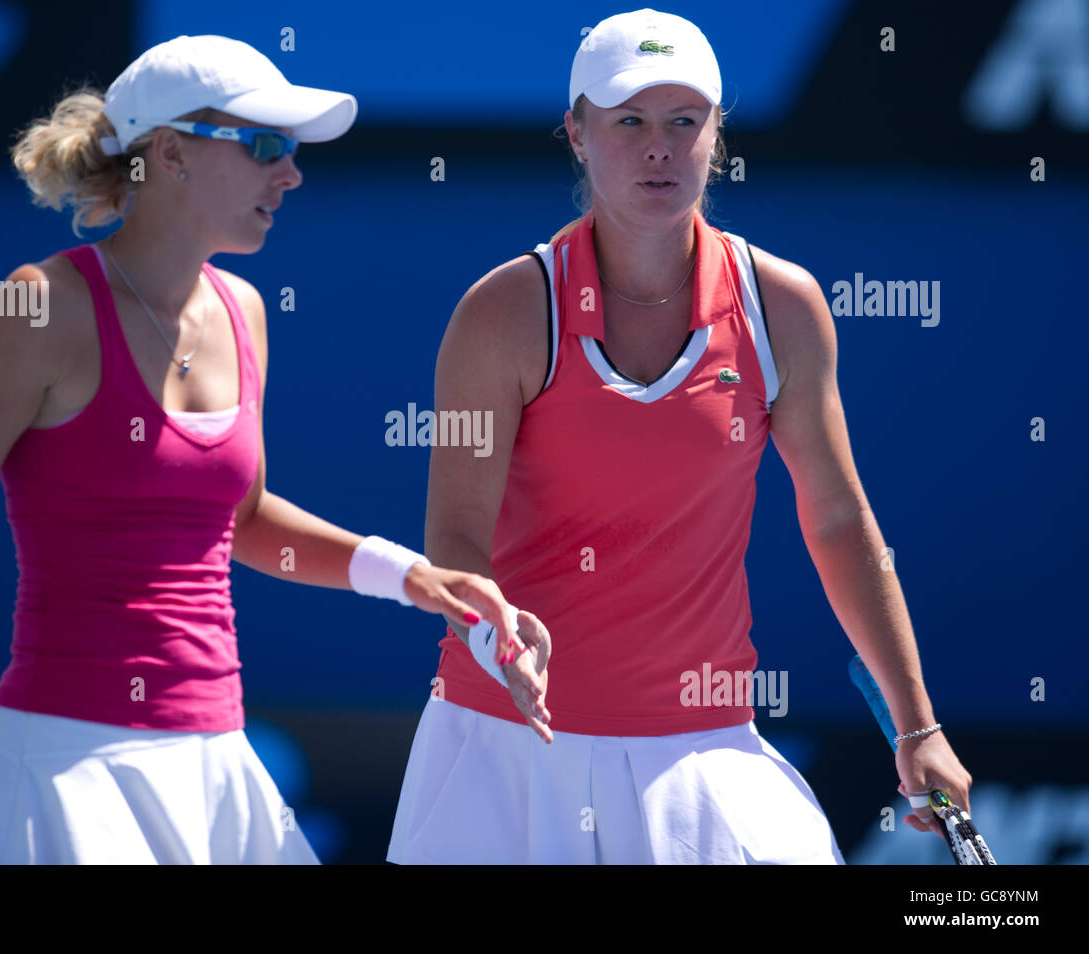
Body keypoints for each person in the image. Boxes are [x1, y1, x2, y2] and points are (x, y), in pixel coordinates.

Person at [0, 34, 546, 866]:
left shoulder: (247, 311)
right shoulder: (39, 306)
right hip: (59, 764)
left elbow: (247, 521)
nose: (289, 173)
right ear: (172, 155)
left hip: (219, 757)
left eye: (291, 152)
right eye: (264, 146)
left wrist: (410, 575)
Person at [387, 9, 974, 864]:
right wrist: (496, 630)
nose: (657, 147)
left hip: (701, 746)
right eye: (628, 122)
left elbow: (840, 522)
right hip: (502, 743)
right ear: (578, 135)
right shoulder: (503, 313)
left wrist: (917, 724)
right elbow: (456, 536)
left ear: (715, 137)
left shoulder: (782, 307)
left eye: (683, 122)